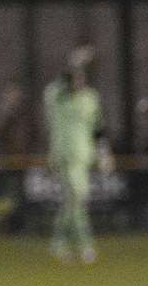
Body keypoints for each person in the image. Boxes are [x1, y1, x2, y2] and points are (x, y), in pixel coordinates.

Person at [43, 48, 111, 263]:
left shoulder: (91, 98)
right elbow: (55, 87)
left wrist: (105, 154)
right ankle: (86, 246)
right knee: (77, 199)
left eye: (82, 77)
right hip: (64, 157)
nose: (79, 82)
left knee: (72, 202)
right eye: (75, 78)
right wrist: (74, 62)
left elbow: (98, 129)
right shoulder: (58, 98)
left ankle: (58, 244)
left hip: (84, 157)